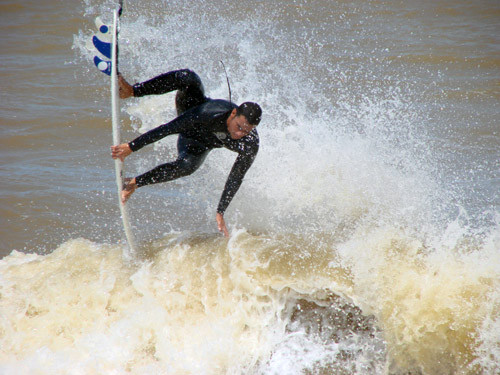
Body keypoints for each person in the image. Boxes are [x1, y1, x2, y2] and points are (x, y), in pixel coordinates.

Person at [111, 69, 262, 237]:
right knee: (188, 78)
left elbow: (236, 176)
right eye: (239, 127)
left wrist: (220, 211)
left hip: (198, 144)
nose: (239, 134)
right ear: (233, 113)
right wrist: (131, 147)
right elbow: (167, 129)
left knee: (187, 166)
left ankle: (133, 183)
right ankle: (132, 90)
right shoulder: (209, 113)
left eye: (246, 131)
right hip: (191, 110)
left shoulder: (249, 144)